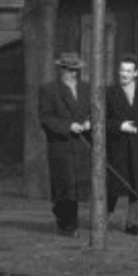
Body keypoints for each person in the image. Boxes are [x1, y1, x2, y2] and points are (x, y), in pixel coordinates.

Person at [38, 51, 92, 236]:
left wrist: (88, 122)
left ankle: (70, 224)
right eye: (69, 70)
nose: (73, 74)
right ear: (61, 69)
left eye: (76, 70)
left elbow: (94, 111)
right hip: (61, 145)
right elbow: (46, 119)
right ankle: (66, 223)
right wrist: (68, 126)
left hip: (82, 145)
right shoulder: (49, 90)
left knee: (77, 188)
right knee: (65, 186)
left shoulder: (86, 88)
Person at [105, 54, 138, 235]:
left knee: (136, 186)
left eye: (129, 71)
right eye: (122, 70)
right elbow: (102, 121)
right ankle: (102, 220)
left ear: (136, 73)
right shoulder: (109, 93)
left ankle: (132, 223)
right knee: (113, 186)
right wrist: (120, 126)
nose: (124, 74)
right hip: (117, 147)